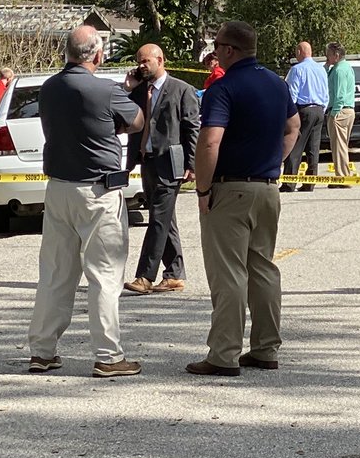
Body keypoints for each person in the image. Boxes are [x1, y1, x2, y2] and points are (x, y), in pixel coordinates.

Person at [27, 25, 144, 378]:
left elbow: (82, 119)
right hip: (98, 192)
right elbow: (136, 122)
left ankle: (43, 350)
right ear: (96, 54)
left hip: (59, 188)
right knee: (105, 275)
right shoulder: (105, 90)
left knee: (56, 273)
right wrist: (127, 95)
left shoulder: (49, 88)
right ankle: (108, 355)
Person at [187, 21, 299, 377]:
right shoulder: (277, 84)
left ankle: (223, 354)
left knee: (228, 273)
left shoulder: (224, 88)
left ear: (230, 50)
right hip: (267, 187)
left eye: (217, 44)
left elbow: (209, 141)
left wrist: (203, 189)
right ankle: (265, 348)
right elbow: (293, 127)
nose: (214, 50)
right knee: (262, 268)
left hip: (230, 188)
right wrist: (273, 160)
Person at [123, 44, 200, 295]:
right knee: (166, 218)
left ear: (160, 60)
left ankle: (145, 276)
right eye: (139, 61)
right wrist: (128, 87)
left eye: (146, 61)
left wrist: (193, 165)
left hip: (170, 163)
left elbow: (192, 129)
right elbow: (121, 113)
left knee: (157, 217)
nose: (141, 65)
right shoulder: (139, 92)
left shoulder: (181, 90)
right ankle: (174, 274)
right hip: (147, 161)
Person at [280, 41, 329, 193]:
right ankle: (310, 182)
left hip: (303, 110)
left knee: (295, 146)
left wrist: (288, 114)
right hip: (319, 110)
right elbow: (326, 93)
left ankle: (290, 183)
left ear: (300, 52)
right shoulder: (321, 70)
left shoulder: (297, 69)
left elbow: (292, 94)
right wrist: (322, 109)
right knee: (313, 148)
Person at [325, 42, 355, 187]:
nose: (327, 57)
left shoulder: (339, 71)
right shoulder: (343, 67)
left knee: (339, 146)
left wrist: (334, 113)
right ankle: (342, 175)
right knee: (341, 145)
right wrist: (326, 67)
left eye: (328, 54)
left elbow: (340, 94)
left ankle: (343, 177)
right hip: (347, 111)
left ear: (336, 56)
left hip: (340, 112)